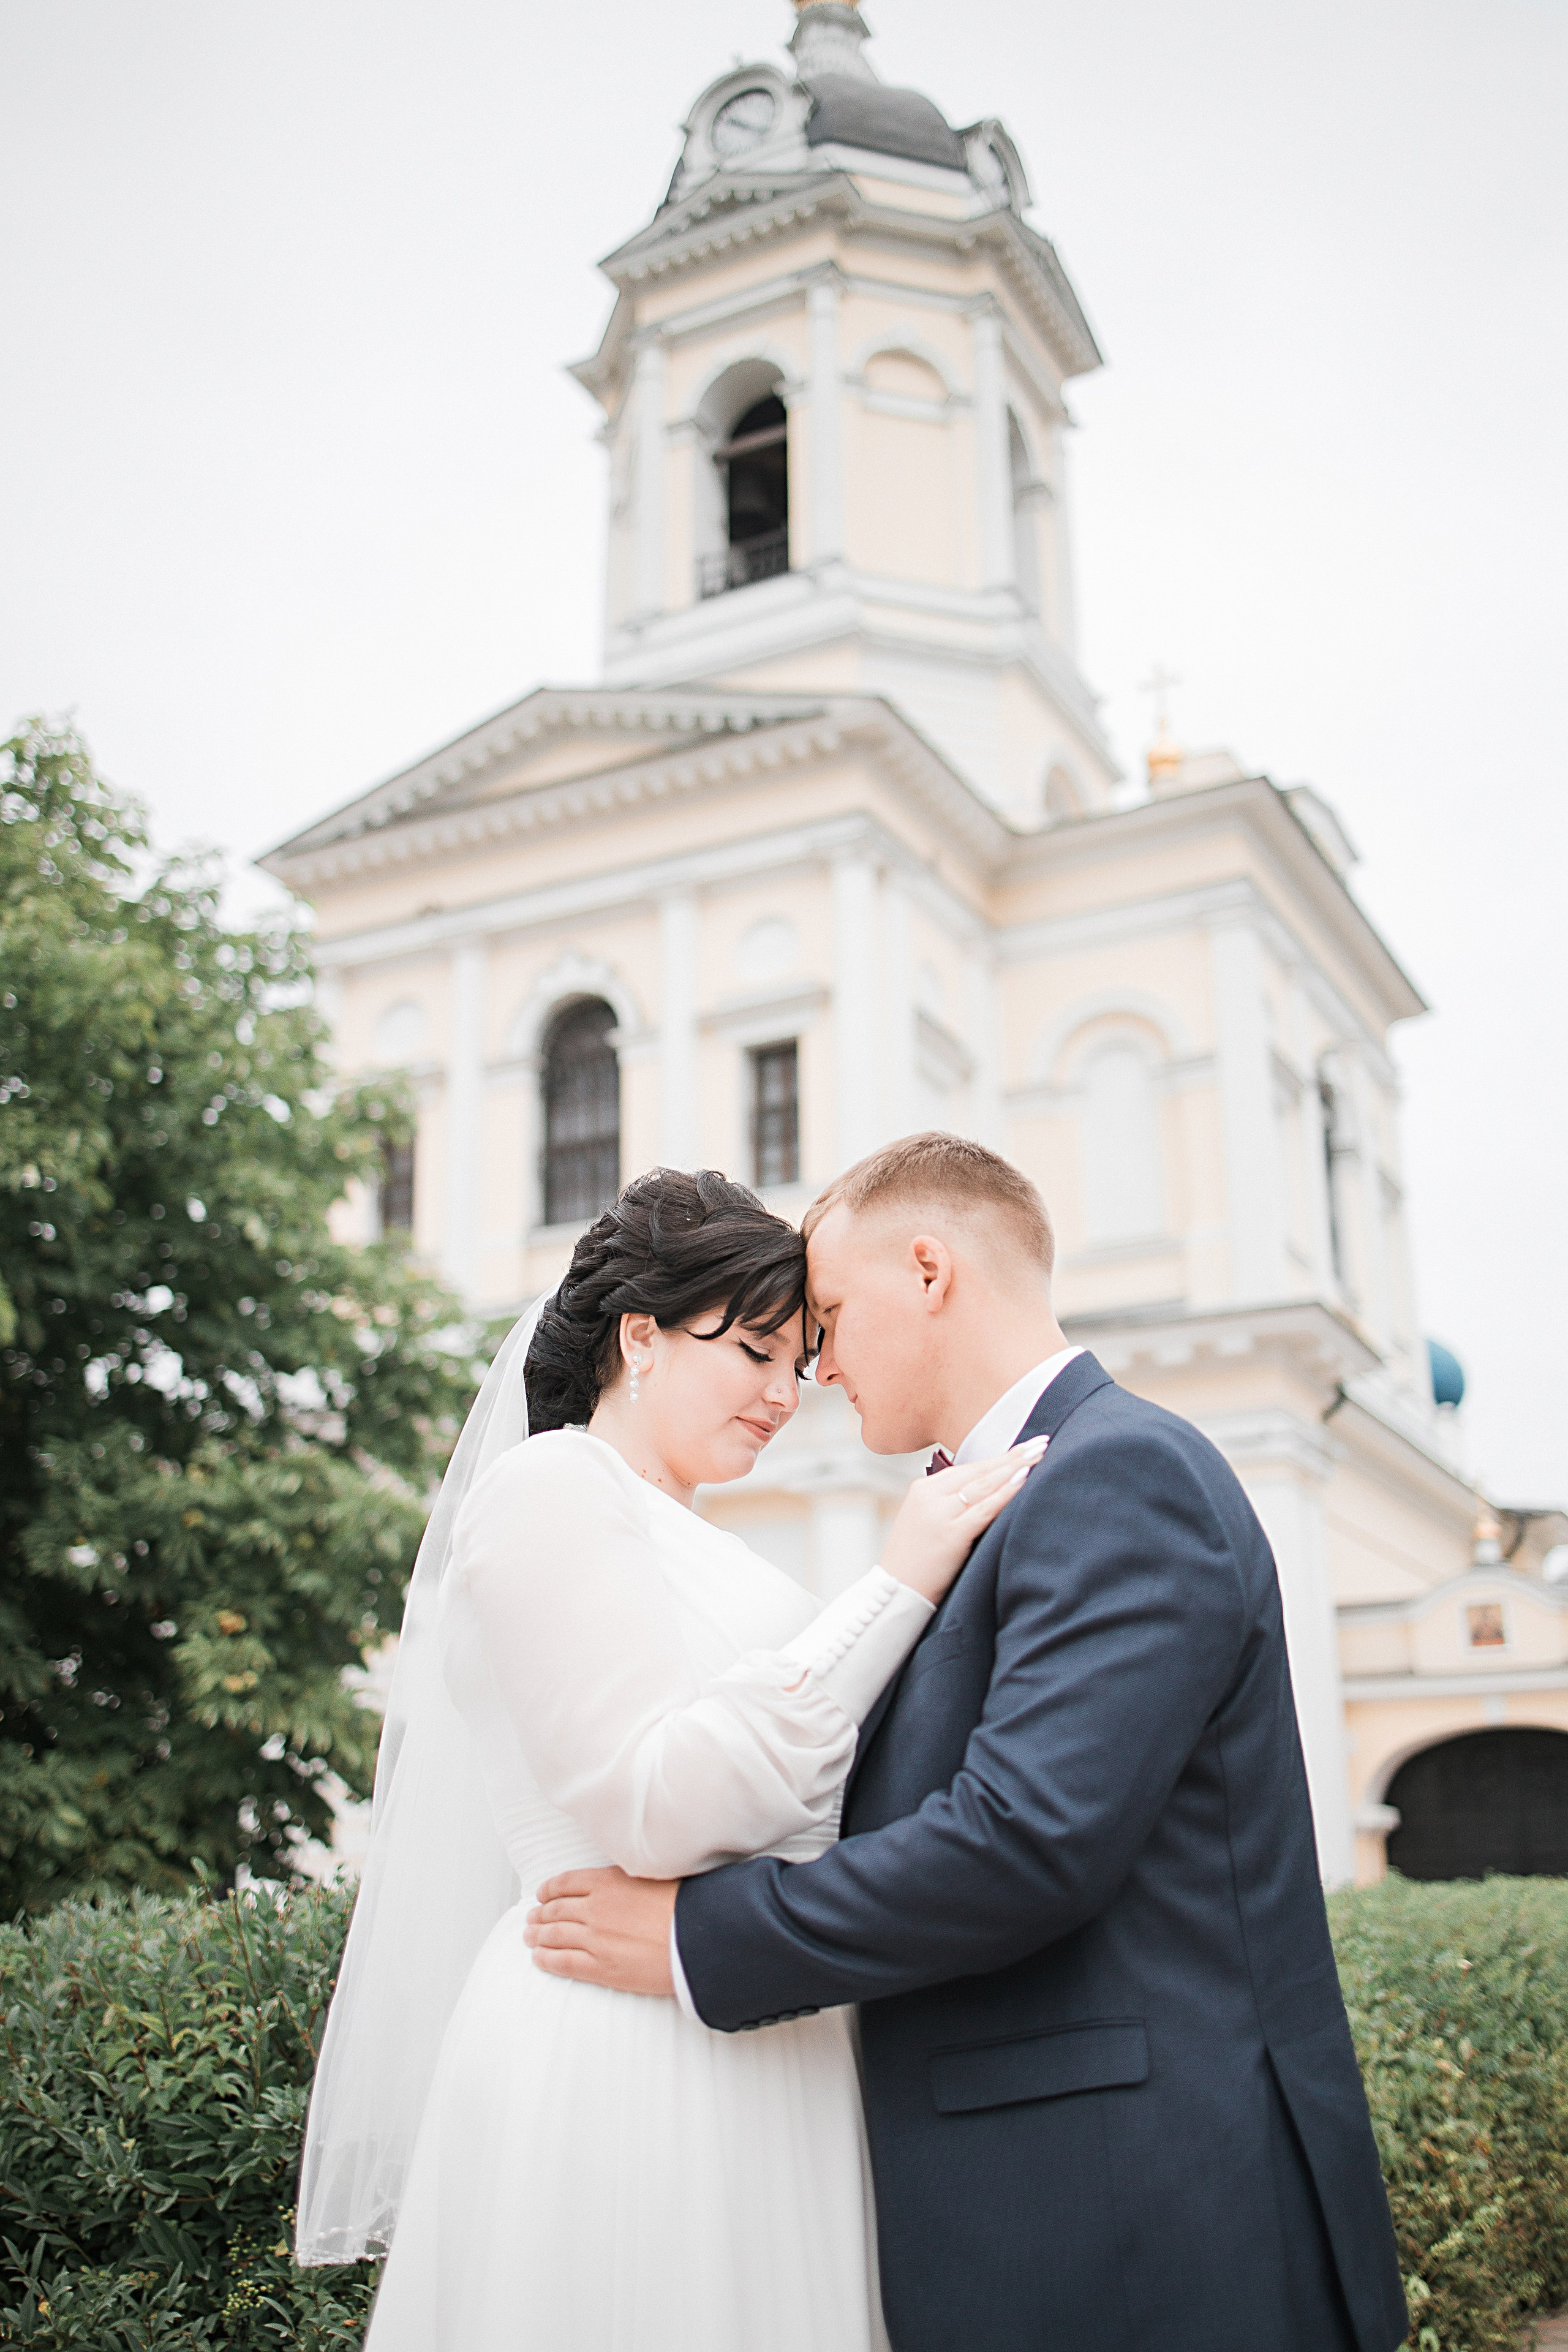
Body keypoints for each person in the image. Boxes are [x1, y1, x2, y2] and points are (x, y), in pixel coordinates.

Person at [526, 1134, 1409, 2352]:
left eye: (826, 1317)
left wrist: (695, 1937)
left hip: (1143, 2215)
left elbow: (1023, 1839)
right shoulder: (1006, 1496)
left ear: (929, 1272)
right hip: (1043, 2205)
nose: (816, 1372)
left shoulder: (1119, 1475)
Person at [295, 1164, 1041, 2351]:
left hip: (761, 2033)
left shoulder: (690, 1540)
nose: (783, 1395)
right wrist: (895, 1587)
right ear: (638, 1337)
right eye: (751, 1351)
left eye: (797, 1364)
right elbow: (649, 1805)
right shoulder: (545, 1490)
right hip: (619, 2039)